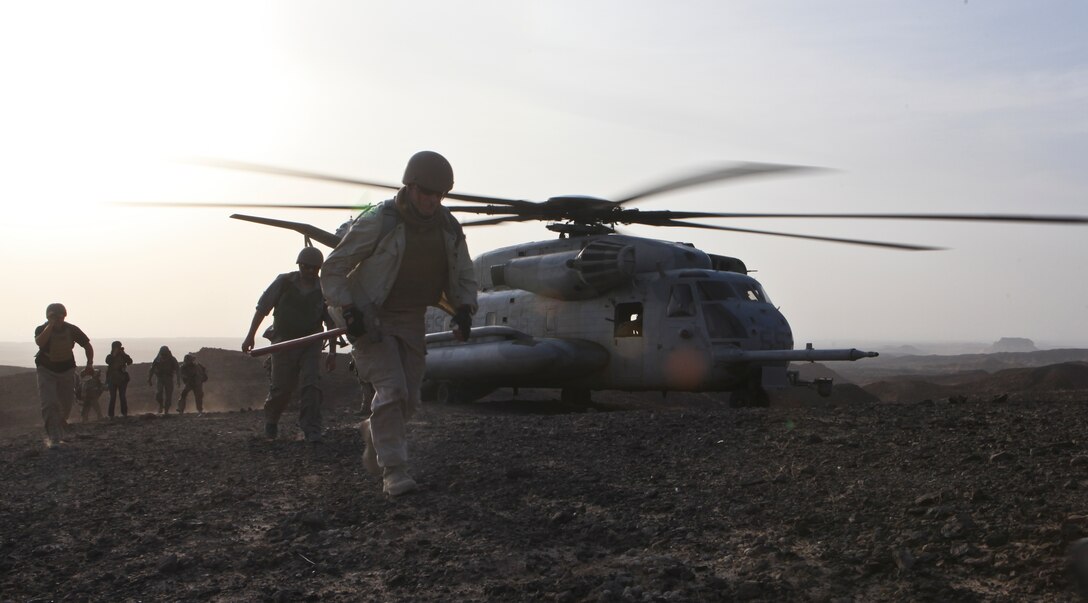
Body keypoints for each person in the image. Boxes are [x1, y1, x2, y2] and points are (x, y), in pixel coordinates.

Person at [321, 150, 478, 496]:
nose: (431, 201)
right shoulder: (380, 221)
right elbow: (333, 268)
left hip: (411, 318)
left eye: (438, 195)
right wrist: (349, 310)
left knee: (408, 400)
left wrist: (465, 308)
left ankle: (374, 430)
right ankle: (394, 471)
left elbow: (465, 274)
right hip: (369, 314)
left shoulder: (449, 228)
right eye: (425, 192)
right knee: (391, 391)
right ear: (409, 186)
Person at [242, 247, 337, 442]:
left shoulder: (324, 288)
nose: (309, 271)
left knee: (311, 385)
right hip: (283, 341)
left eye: (314, 268)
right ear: (299, 265)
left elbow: (331, 321)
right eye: (306, 267)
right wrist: (250, 336)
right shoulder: (284, 282)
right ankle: (271, 422)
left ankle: (311, 430)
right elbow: (263, 308)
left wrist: (333, 351)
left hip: (311, 342)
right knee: (281, 388)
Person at [33, 303, 94, 448]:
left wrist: (89, 364)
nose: (58, 319)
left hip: (66, 370)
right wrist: (50, 325)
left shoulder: (71, 329)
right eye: (53, 316)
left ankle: (60, 424)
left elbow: (87, 345)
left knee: (66, 404)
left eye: (60, 316)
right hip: (46, 369)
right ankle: (54, 438)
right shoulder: (42, 329)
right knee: (49, 403)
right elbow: (40, 343)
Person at [148, 346, 180, 414]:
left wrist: (178, 380)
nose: (163, 355)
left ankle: (166, 410)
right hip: (160, 378)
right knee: (158, 394)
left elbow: (177, 370)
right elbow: (152, 369)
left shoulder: (172, 359)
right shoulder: (157, 359)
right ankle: (161, 405)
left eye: (164, 353)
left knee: (168, 395)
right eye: (162, 353)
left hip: (169, 378)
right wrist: (149, 379)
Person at [105, 341, 133, 418]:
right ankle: (111, 415)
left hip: (122, 379)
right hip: (112, 379)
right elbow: (108, 361)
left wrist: (123, 354)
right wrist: (114, 354)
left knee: (122, 396)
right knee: (112, 397)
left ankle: (124, 413)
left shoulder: (123, 355)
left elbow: (130, 361)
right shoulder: (110, 356)